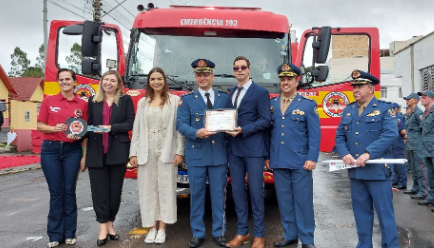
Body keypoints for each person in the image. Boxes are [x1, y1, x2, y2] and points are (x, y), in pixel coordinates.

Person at [335, 70, 399, 247]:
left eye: (360, 86)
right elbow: (339, 136)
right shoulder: (348, 111)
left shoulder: (385, 109)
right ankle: (364, 245)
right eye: (354, 86)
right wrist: (344, 153)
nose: (355, 89)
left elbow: (390, 134)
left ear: (371, 88)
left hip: (377, 171)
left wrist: (369, 153)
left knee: (385, 214)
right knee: (361, 213)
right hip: (356, 173)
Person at [265, 64, 320, 248]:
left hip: (300, 161)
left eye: (289, 79)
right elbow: (267, 133)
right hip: (279, 160)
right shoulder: (271, 105)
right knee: (285, 200)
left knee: (303, 201)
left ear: (297, 81)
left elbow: (314, 134)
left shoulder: (307, 105)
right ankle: (290, 234)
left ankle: (307, 239)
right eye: (282, 79)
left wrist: (312, 157)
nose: (285, 82)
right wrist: (267, 156)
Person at [176, 59, 229, 248]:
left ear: (212, 76)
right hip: (197, 155)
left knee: (218, 196)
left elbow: (230, 119)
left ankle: (219, 233)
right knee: (196, 195)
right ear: (195, 77)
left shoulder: (224, 98)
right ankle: (197, 233)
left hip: (218, 155)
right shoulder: (188, 100)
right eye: (199, 75)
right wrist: (195, 132)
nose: (203, 78)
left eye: (206, 74)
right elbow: (180, 124)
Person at [129, 67, 185, 244]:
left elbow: (179, 130)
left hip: (167, 149)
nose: (156, 82)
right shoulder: (143, 103)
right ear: (149, 82)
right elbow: (137, 130)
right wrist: (133, 153)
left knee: (166, 189)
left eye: (159, 78)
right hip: (146, 150)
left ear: (164, 80)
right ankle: (151, 227)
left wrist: (179, 152)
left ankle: (162, 228)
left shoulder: (175, 101)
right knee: (148, 189)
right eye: (153, 79)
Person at [37, 68, 88, 248]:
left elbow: (85, 131)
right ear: (58, 82)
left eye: (68, 79)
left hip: (73, 151)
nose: (64, 82)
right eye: (61, 79)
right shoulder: (48, 100)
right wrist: (54, 129)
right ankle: (54, 234)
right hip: (50, 150)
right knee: (56, 193)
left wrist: (84, 155)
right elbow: (40, 125)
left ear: (75, 82)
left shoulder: (82, 104)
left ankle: (69, 233)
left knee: (69, 191)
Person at [84, 70, 135, 246]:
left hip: (118, 152)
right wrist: (77, 132)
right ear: (101, 82)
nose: (109, 83)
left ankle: (111, 224)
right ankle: (102, 228)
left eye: (113, 80)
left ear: (118, 84)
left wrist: (110, 127)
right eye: (106, 79)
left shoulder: (126, 100)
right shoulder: (93, 101)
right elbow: (88, 125)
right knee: (99, 193)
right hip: (96, 152)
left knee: (114, 192)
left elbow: (130, 123)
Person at [225, 56, 271, 248]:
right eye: (236, 68)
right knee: (237, 192)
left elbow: (266, 120)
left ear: (249, 70)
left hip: (253, 150)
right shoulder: (231, 92)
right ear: (234, 71)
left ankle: (259, 235)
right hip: (234, 151)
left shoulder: (260, 92)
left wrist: (244, 129)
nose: (240, 70)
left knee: (256, 193)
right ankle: (242, 232)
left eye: (243, 67)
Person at [402, 93, 429, 199]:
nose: (407, 100)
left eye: (409, 99)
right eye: (406, 99)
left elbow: (424, 128)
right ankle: (416, 188)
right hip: (411, 145)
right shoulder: (410, 114)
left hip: (418, 145)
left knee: (421, 168)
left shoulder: (418, 113)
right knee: (414, 168)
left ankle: (424, 191)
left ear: (415, 101)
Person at [417, 90, 434, 208]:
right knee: (430, 175)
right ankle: (431, 198)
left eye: (424, 97)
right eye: (421, 97)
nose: (421, 99)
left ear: (431, 99)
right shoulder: (425, 113)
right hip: (427, 148)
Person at [391, 103, 407, 189]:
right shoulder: (395, 117)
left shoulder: (396, 117)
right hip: (395, 143)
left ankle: (402, 182)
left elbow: (402, 131)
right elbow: (402, 131)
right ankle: (398, 181)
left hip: (396, 144)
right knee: (396, 164)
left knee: (399, 164)